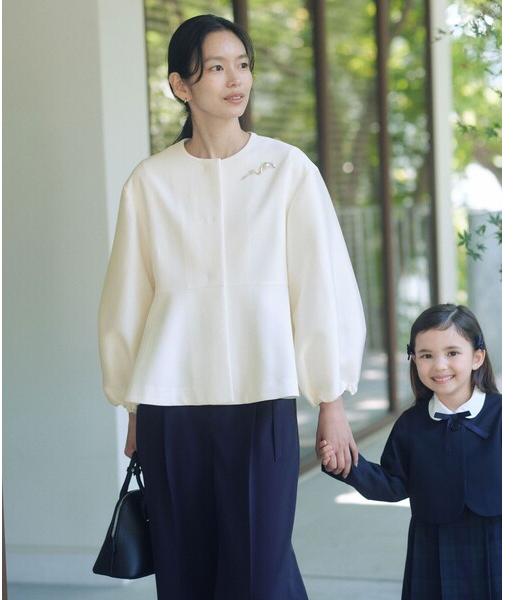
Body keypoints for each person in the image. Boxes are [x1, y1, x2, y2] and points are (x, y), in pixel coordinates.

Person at [97, 13, 366, 600]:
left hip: (262, 399)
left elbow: (320, 287)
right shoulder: (150, 182)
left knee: (259, 571)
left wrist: (331, 399)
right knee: (186, 573)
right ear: (180, 85)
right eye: (215, 67)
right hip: (170, 408)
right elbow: (127, 302)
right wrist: (133, 407)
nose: (235, 79)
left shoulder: (288, 170)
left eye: (242, 65)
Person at [319, 304, 501, 599]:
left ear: (477, 357)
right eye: (426, 355)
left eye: (452, 353)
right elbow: (392, 484)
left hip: (497, 542)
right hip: (432, 546)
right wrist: (347, 465)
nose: (439, 365)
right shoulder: (411, 424)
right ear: (414, 360)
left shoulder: (503, 414)